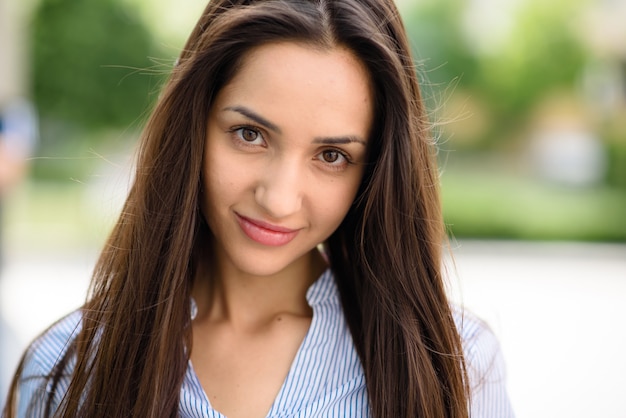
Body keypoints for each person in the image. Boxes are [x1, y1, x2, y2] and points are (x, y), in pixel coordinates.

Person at [3, 0, 515, 417]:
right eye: (250, 135)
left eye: (332, 156)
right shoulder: (64, 372)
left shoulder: (452, 365)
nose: (278, 198)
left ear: (374, 171)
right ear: (193, 126)